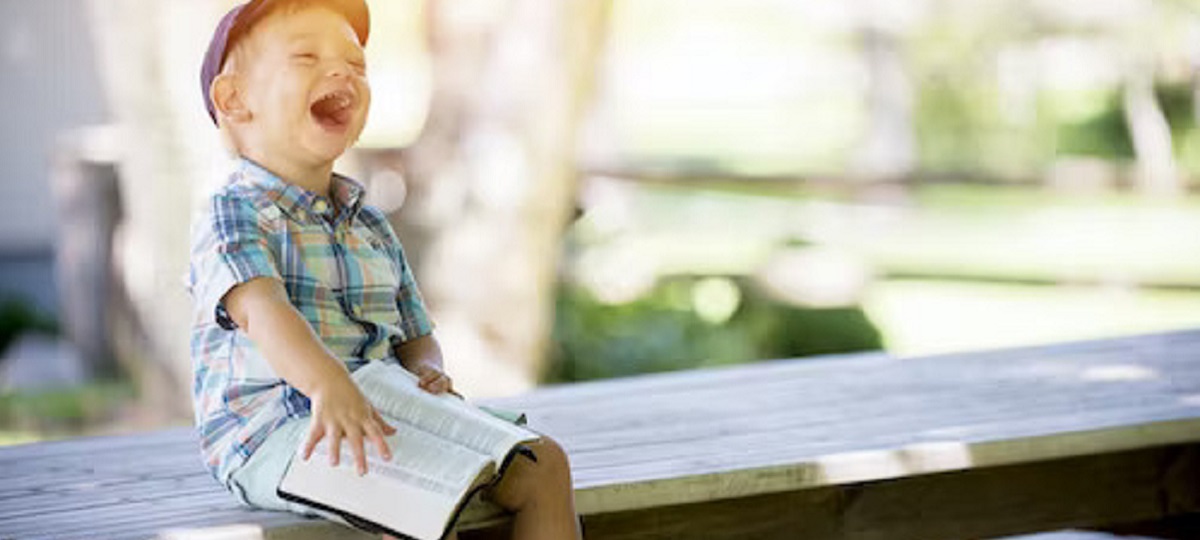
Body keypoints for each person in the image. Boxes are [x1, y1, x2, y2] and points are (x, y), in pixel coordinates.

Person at [185, 2, 581, 538]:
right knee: (423, 496)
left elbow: (415, 334)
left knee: (543, 464)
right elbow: (261, 309)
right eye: (306, 56)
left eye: (357, 64)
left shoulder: (368, 221)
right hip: (278, 430)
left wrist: (424, 368)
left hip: (383, 406)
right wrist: (327, 384)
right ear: (235, 100)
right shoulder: (234, 209)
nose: (342, 71)